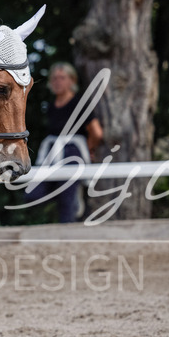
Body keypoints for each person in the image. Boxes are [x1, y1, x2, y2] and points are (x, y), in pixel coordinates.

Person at [29, 62, 104, 223]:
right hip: (52, 152)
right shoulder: (50, 106)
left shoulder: (79, 104)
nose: (57, 82)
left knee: (67, 198)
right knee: (33, 194)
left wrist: (89, 149)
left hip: (72, 152)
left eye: (62, 78)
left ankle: (69, 232)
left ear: (72, 81)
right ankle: (71, 201)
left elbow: (96, 132)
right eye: (54, 78)